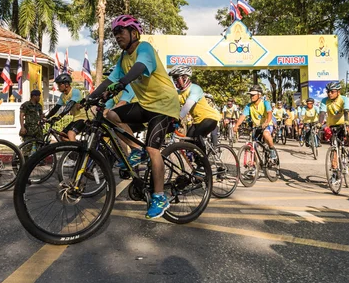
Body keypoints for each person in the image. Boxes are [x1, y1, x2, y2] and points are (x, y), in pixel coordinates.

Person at [88, 14, 180, 219]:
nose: (117, 36)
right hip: (147, 105)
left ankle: (159, 196)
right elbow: (109, 80)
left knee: (153, 149)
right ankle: (137, 149)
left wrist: (122, 83)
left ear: (133, 32)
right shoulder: (122, 58)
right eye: (114, 33)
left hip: (165, 106)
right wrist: (89, 98)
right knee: (110, 115)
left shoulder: (144, 48)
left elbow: (139, 69)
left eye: (120, 31)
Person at [168, 65, 221, 154]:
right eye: (174, 78)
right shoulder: (179, 93)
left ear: (185, 77)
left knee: (197, 137)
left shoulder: (195, 88)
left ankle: (205, 162)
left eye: (177, 78)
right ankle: (197, 163)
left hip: (210, 118)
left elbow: (188, 105)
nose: (175, 81)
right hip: (197, 121)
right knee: (188, 141)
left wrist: (178, 118)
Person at [233, 84, 278, 160]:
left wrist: (266, 122)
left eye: (253, 95)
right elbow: (242, 116)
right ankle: (254, 165)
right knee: (253, 147)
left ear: (259, 95)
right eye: (250, 95)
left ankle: (272, 149)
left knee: (266, 134)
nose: (251, 96)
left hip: (267, 125)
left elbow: (269, 113)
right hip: (256, 127)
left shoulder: (265, 103)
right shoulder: (248, 106)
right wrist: (236, 125)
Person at [318, 81, 349, 163]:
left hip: (345, 122)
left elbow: (346, 110)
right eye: (328, 91)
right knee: (334, 147)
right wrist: (319, 123)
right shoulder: (324, 101)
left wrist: (346, 122)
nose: (329, 94)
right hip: (333, 124)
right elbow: (322, 113)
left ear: (338, 92)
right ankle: (334, 172)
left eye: (332, 91)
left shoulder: (344, 99)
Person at [45, 73, 87, 142]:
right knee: (62, 136)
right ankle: (77, 146)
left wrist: (59, 117)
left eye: (59, 84)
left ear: (66, 85)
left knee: (71, 134)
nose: (58, 87)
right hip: (76, 119)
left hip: (84, 118)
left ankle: (77, 152)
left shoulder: (75, 92)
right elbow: (56, 108)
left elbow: (69, 105)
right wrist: (47, 117)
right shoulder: (63, 96)